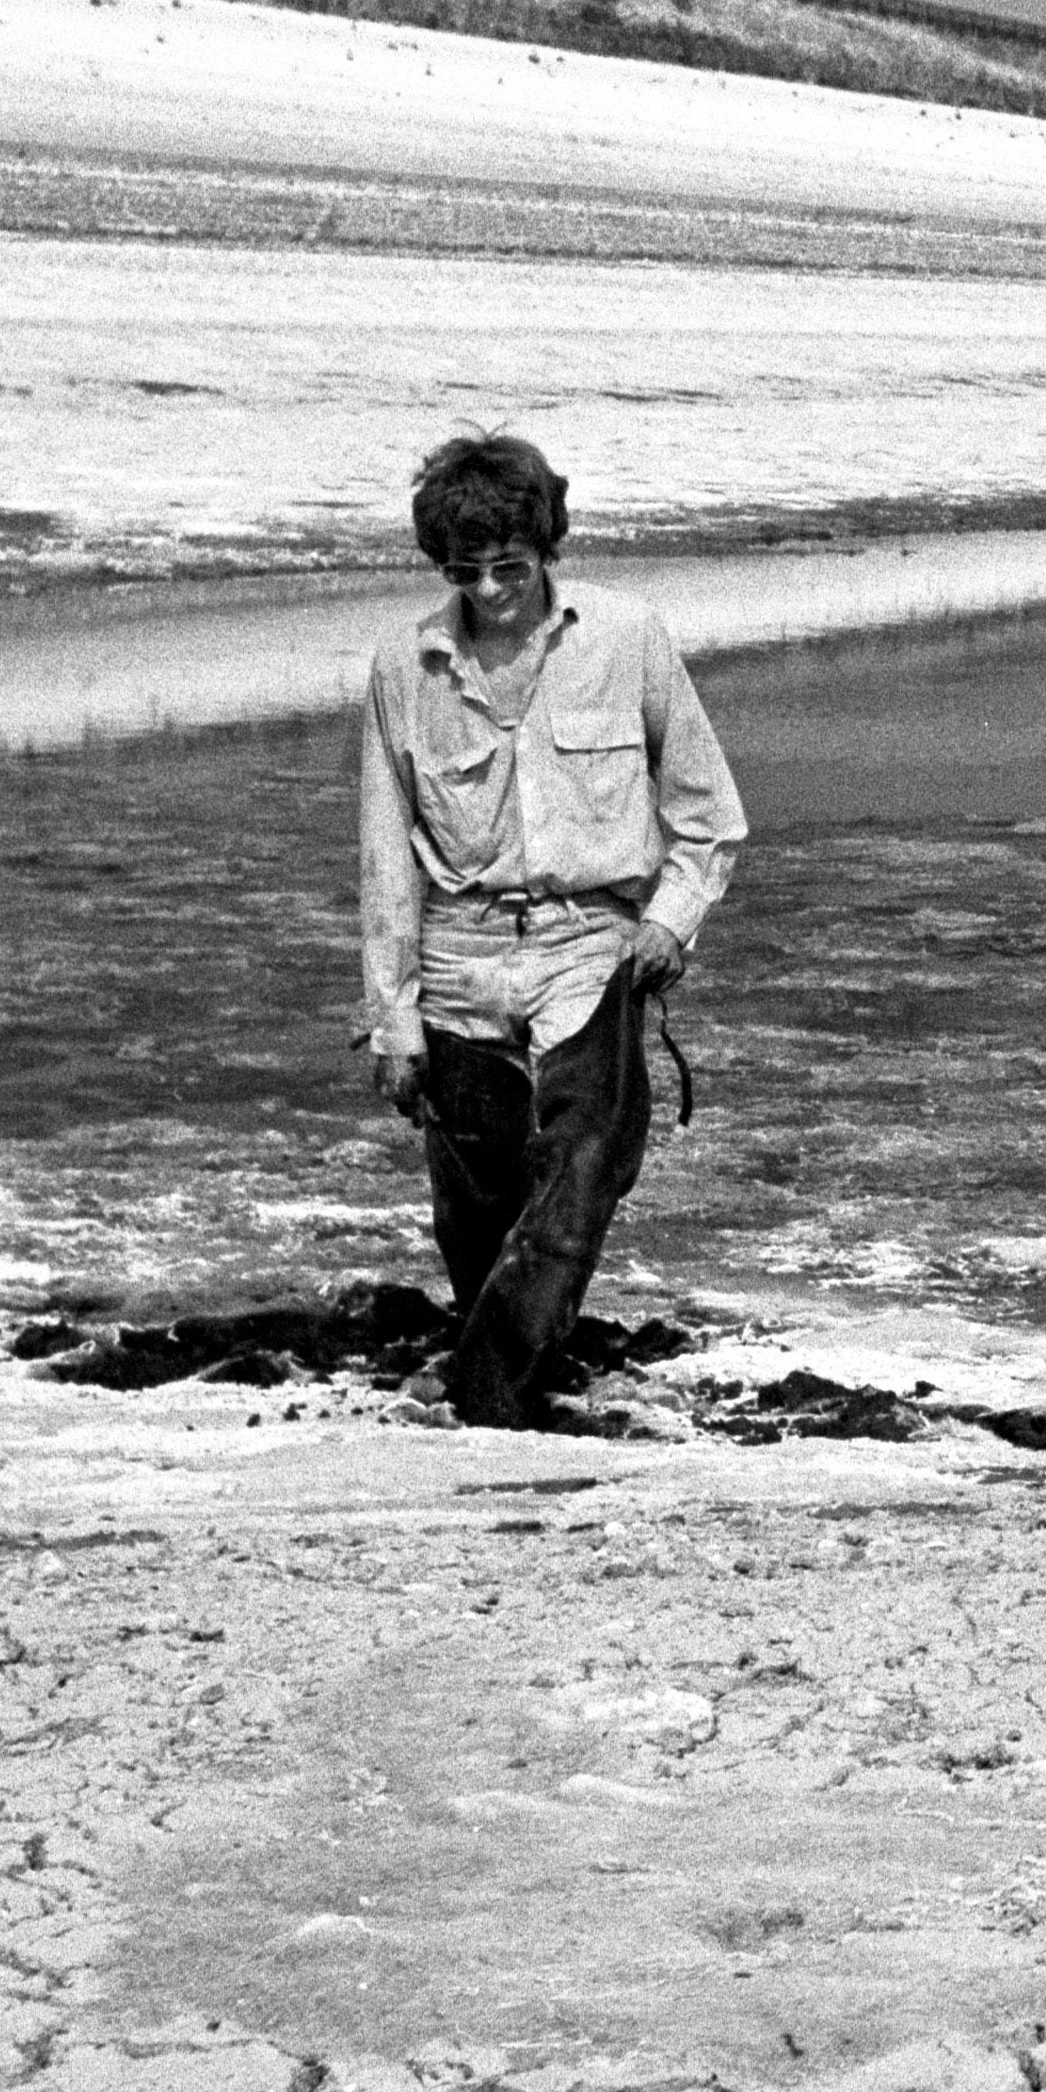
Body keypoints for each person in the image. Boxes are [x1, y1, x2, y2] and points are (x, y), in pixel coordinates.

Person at [353, 432, 747, 1428]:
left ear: (547, 547)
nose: (488, 591)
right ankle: (519, 1371)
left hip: (589, 948)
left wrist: (670, 920)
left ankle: (486, 1396)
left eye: (509, 568)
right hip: (460, 957)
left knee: (583, 1170)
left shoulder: (629, 637)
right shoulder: (402, 667)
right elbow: (384, 863)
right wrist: (391, 1019)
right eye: (463, 572)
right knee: (475, 1212)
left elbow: (708, 816)